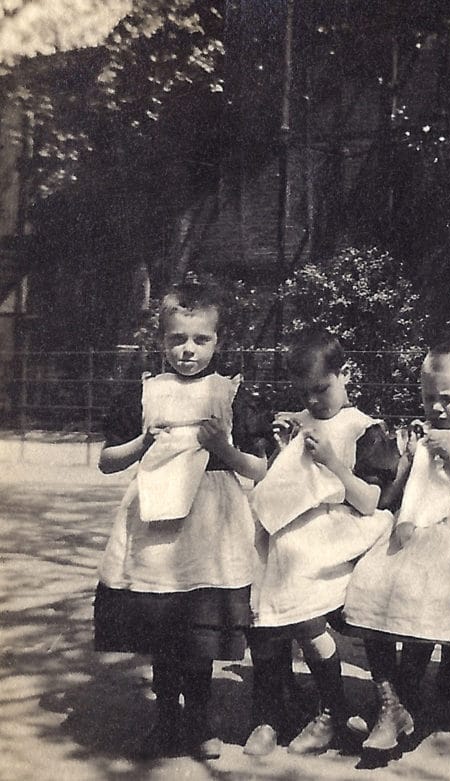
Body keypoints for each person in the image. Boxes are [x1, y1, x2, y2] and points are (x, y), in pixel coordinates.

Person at [93, 277, 268, 760]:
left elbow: (259, 468)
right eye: (177, 339)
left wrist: (223, 447)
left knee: (198, 626)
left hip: (209, 523)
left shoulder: (228, 392)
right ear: (161, 340)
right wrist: (142, 442)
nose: (188, 350)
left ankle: (200, 718)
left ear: (217, 340)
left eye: (200, 340)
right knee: (162, 624)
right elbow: (107, 461)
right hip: (154, 522)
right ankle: (167, 716)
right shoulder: (145, 391)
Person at [343, 342, 450, 752]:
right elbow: (392, 497)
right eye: (429, 397)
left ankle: (400, 698)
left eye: (447, 399)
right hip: (410, 528)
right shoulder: (420, 434)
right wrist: (408, 459)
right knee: (369, 580)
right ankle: (390, 700)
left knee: (423, 586)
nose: (437, 408)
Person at [245, 329, 396, 757]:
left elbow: (369, 501)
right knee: (257, 588)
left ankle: (331, 709)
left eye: (321, 389)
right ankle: (274, 712)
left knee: (295, 591)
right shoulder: (301, 423)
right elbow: (283, 486)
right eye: (303, 392)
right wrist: (282, 452)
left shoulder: (363, 428)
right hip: (293, 532)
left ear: (343, 374)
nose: (313, 401)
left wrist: (330, 460)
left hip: (338, 532)